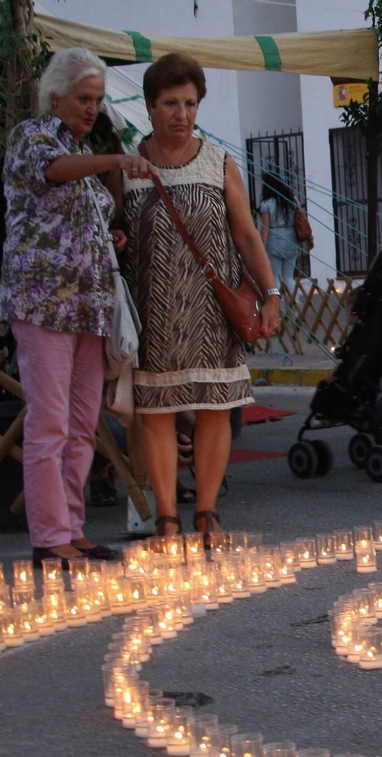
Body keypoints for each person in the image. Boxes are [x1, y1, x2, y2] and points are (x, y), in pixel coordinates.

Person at [0, 46, 149, 566]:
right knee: (49, 422)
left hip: (88, 305)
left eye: (99, 100)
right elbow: (51, 170)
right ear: (56, 96)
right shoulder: (31, 138)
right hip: (43, 304)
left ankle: (73, 526)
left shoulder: (82, 158)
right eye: (84, 99)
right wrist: (116, 159)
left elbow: (73, 211)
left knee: (84, 422)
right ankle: (49, 536)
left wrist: (111, 239)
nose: (92, 108)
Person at [120, 53, 280, 540]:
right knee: (158, 413)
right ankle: (167, 516)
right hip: (154, 310)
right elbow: (112, 230)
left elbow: (248, 235)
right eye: (170, 103)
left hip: (214, 310)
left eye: (190, 103)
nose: (181, 114)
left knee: (214, 410)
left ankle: (206, 511)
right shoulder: (128, 164)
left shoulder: (218, 161)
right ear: (149, 106)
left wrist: (271, 293)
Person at [257, 170, 311, 294]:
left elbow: (265, 227)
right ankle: (296, 304)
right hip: (291, 241)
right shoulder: (293, 200)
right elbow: (302, 220)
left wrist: (262, 245)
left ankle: (280, 308)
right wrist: (310, 238)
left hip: (274, 241)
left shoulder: (266, 203)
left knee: (275, 277)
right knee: (288, 277)